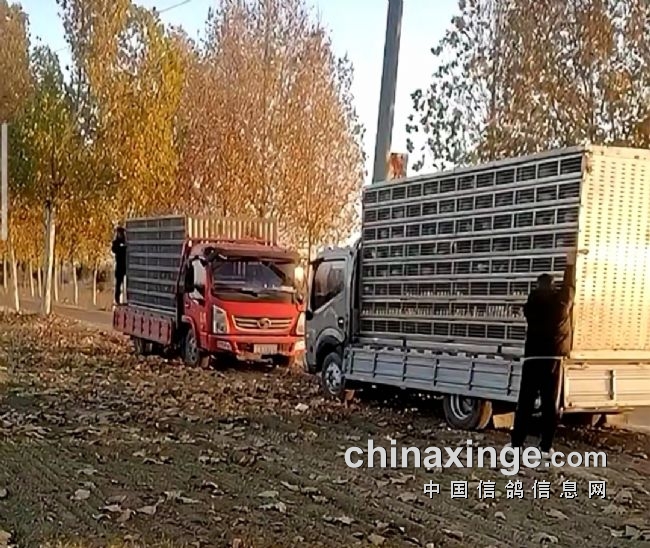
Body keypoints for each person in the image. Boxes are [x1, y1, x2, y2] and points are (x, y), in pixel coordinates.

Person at [509, 251, 576, 458]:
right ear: (553, 287)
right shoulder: (561, 304)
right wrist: (569, 265)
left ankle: (516, 445)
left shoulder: (531, 306)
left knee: (525, 403)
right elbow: (569, 288)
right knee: (549, 405)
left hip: (532, 358)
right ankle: (545, 447)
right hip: (553, 360)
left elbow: (536, 299)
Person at [111, 226, 127, 305]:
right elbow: (114, 249)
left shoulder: (125, 241)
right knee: (118, 284)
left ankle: (125, 299)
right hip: (120, 266)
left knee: (126, 284)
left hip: (126, 265)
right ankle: (117, 299)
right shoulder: (116, 242)